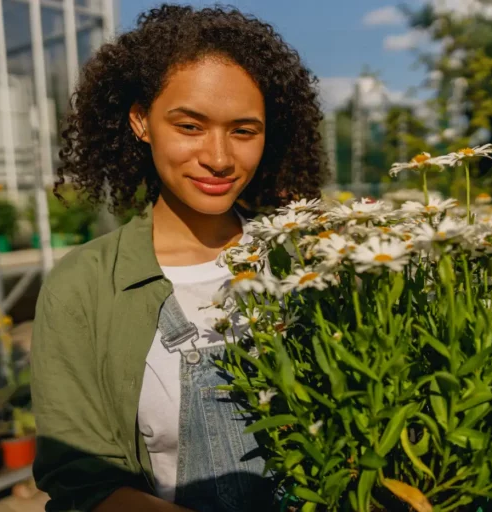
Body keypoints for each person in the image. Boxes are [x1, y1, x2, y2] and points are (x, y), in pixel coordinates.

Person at [30, 5, 326, 511]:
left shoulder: (308, 259)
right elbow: (82, 479)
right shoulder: (86, 285)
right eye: (190, 126)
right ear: (142, 122)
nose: (218, 157)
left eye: (243, 130)